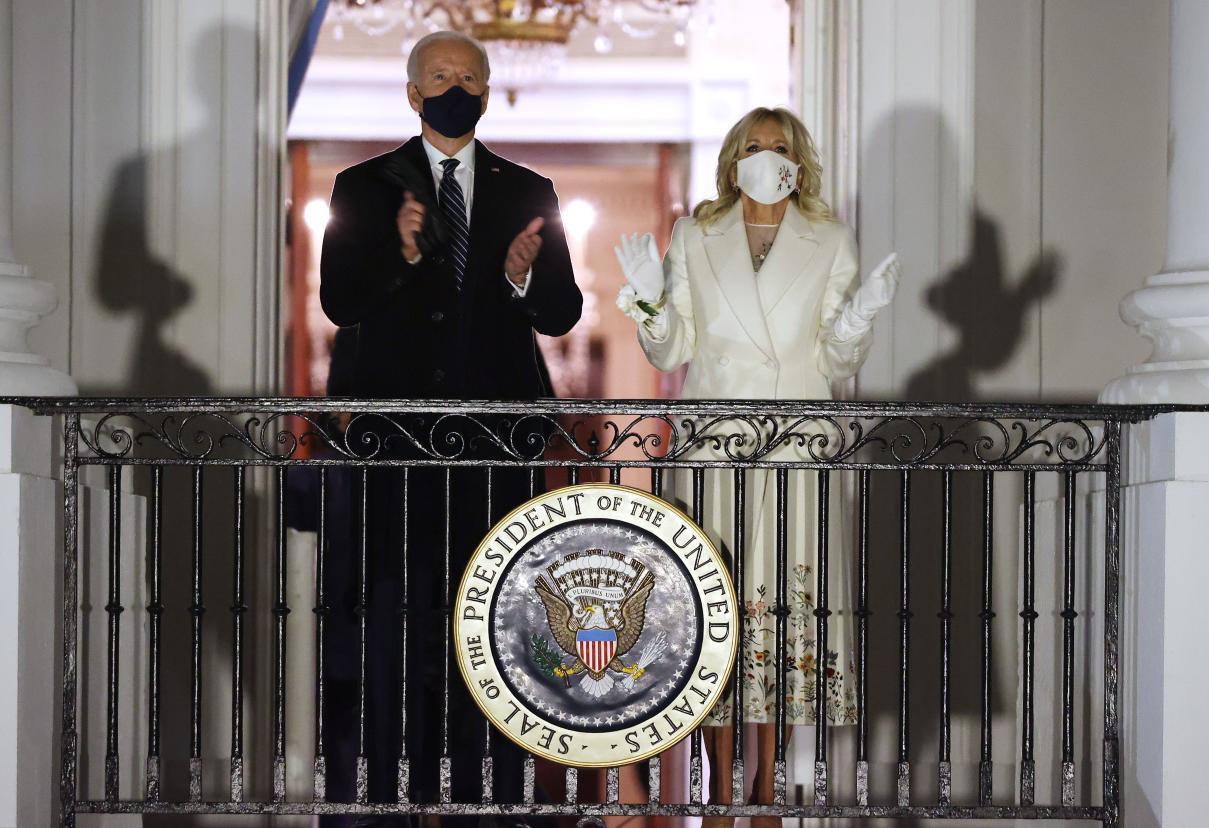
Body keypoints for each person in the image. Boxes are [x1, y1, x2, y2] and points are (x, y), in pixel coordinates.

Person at [319, 30, 583, 828]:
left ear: (489, 88)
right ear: (412, 92)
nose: (456, 85)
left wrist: (521, 277)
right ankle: (390, 796)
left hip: (497, 449)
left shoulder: (527, 186)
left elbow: (562, 311)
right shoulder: (363, 186)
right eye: (441, 75)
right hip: (394, 450)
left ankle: (487, 797)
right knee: (393, 622)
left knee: (491, 622)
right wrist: (399, 256)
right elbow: (340, 301)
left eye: (470, 75)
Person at [615, 106, 899, 824]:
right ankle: (717, 785)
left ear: (797, 159)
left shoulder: (829, 238)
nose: (764, 157)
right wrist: (649, 296)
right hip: (714, 446)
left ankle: (766, 789)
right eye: (751, 147)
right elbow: (671, 350)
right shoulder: (696, 234)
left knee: (781, 614)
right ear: (732, 159)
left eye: (776, 147)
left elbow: (834, 356)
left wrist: (862, 315)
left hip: (795, 447)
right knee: (716, 615)